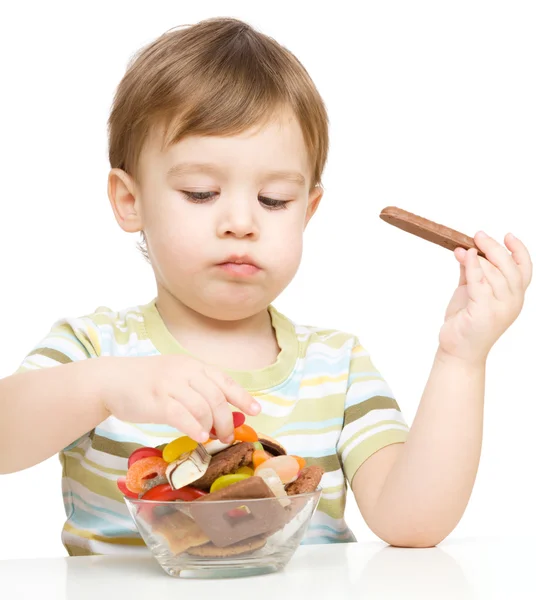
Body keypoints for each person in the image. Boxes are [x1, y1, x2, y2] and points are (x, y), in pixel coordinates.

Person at [0, 17, 531, 557]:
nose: (241, 221)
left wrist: (462, 359)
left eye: (274, 200)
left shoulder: (337, 365)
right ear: (130, 200)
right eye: (201, 192)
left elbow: (412, 523)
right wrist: (103, 386)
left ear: (308, 211)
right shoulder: (93, 348)